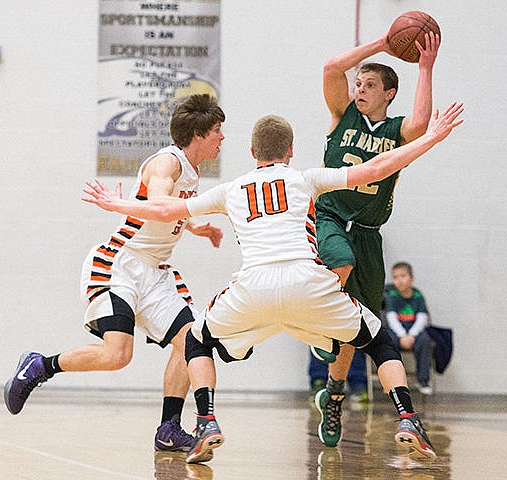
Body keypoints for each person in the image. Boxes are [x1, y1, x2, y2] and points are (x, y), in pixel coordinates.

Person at [83, 103, 464, 463]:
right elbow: (377, 169)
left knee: (196, 338)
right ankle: (408, 416)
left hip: (253, 289)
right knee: (378, 339)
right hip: (309, 283)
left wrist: (116, 205)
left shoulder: (231, 189)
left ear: (252, 152)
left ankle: (206, 422)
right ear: (291, 150)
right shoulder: (306, 179)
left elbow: (164, 208)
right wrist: (430, 136)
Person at [3, 94, 226, 453]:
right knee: (117, 356)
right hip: (121, 264)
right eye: (217, 130)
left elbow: (169, 213)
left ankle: (170, 428)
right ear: (199, 133)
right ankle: (41, 365)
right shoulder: (167, 162)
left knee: (192, 342)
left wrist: (195, 226)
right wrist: (212, 207)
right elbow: (157, 202)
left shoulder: (192, 170)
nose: (222, 138)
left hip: (156, 273)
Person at [312, 29, 441, 448]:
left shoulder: (395, 129)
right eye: (359, 84)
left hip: (369, 232)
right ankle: (319, 330)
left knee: (361, 326)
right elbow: (333, 67)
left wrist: (425, 67)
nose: (360, 89)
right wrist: (383, 44)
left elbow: (421, 124)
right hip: (329, 217)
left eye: (369, 85)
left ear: (389, 93)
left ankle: (333, 395)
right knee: (340, 261)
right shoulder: (342, 113)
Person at [385, 262, 433, 395]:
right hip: (397, 331)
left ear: (411, 278)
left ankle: (423, 380)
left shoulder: (418, 296)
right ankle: (391, 382)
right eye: (395, 277)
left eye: (403, 276)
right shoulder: (392, 296)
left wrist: (412, 335)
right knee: (388, 343)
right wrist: (401, 335)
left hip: (414, 330)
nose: (399, 280)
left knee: (424, 341)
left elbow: (422, 317)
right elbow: (391, 318)